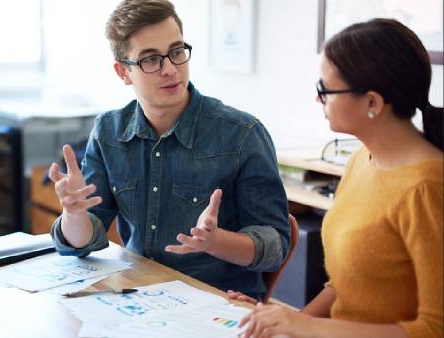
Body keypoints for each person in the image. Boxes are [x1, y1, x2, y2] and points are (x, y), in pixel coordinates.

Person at [47, 0, 290, 299]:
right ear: (123, 72)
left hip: (216, 303)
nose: (170, 70)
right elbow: (83, 243)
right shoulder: (109, 132)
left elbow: (275, 247)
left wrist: (217, 242)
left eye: (176, 52)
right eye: (150, 60)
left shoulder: (242, 135)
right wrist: (74, 215)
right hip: (137, 297)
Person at [233, 18, 443, 338]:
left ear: (372, 102)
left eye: (325, 89)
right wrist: (281, 323)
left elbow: (434, 329)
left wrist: (306, 326)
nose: (319, 99)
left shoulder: (426, 189)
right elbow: (346, 286)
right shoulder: (362, 159)